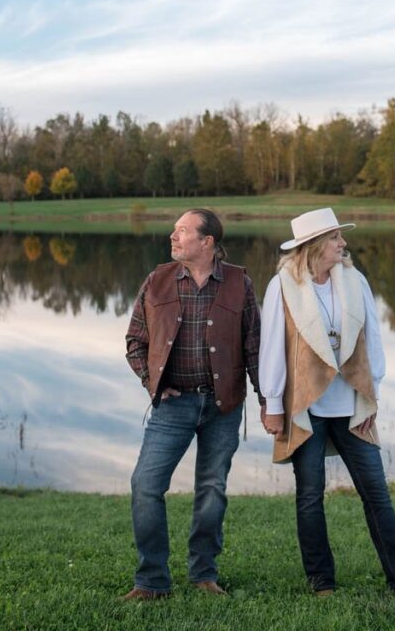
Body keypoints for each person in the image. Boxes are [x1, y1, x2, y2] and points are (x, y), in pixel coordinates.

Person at [259, 207, 395, 601]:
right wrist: (272, 402)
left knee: (376, 494)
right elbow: (271, 346)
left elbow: (372, 338)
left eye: (341, 237)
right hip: (306, 405)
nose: (343, 243)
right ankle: (322, 583)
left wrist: (373, 390)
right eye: (336, 237)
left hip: (352, 404)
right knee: (309, 497)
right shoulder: (283, 286)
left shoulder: (355, 281)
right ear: (315, 245)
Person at [124, 208, 262, 600]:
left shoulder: (239, 282)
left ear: (207, 242)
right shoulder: (158, 280)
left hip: (223, 407)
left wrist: (268, 403)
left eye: (182, 231)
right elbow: (136, 341)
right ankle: (151, 580)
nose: (173, 236)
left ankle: (204, 574)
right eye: (174, 230)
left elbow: (254, 347)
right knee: (145, 487)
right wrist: (152, 380)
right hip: (172, 406)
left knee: (212, 489)